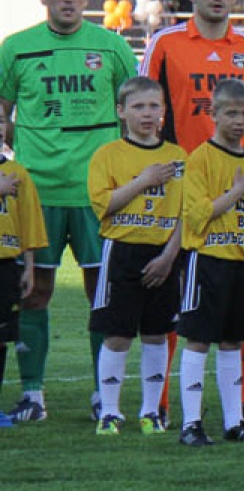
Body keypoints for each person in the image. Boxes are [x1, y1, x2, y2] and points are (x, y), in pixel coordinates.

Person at [140, 0, 244, 429]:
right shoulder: (166, 44)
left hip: (240, 186)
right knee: (174, 295)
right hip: (181, 184)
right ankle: (161, 403)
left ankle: (240, 405)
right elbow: (145, 109)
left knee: (243, 294)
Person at [0, 0, 137, 422]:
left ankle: (103, 395)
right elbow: (1, 112)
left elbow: (133, 110)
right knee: (33, 291)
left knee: (102, 293)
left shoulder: (112, 46)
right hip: (36, 193)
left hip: (99, 195)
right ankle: (32, 396)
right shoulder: (16, 48)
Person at [177, 79, 244, 446]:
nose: (240, 121)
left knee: (234, 342)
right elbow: (197, 215)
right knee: (199, 340)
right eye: (231, 113)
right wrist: (236, 192)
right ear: (213, 114)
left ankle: (235, 423)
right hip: (208, 262)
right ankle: (191, 424)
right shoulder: (200, 159)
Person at [86, 77, 185, 436]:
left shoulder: (178, 157)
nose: (147, 114)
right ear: (121, 111)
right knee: (118, 334)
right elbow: (104, 205)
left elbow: (186, 213)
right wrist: (144, 180)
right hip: (122, 252)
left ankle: (151, 412)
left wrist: (169, 257)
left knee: (157, 335)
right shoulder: (107, 155)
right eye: (138, 106)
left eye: (154, 106)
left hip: (165, 254)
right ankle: (110, 412)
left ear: (163, 111)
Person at [0, 106, 47, 424]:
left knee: (2, 335)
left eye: (1, 121)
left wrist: (28, 266)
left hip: (7, 265)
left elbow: (28, 222)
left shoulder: (18, 173)